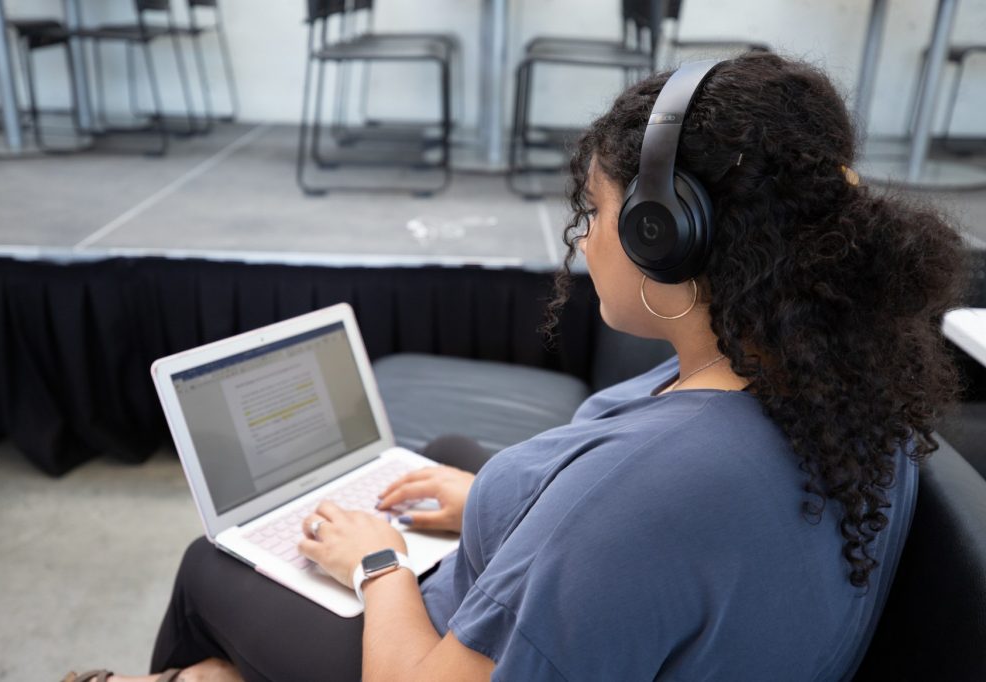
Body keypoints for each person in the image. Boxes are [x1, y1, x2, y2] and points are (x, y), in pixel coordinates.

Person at [63, 52, 968, 682]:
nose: (585, 236)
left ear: (667, 236)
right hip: (580, 589)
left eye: (598, 208)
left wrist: (376, 566)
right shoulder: (840, 374)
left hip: (433, 649)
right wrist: (488, 504)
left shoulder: (635, 497)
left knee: (207, 564)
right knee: (451, 453)